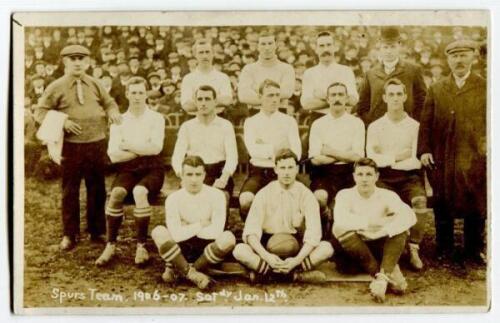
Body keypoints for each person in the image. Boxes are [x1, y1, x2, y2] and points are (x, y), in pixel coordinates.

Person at [34, 45, 122, 250]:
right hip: (71, 147)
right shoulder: (56, 86)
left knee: (97, 188)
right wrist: (62, 123)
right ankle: (69, 235)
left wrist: (112, 112)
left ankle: (97, 231)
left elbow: (110, 103)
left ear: (87, 62)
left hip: (96, 143)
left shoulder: (95, 83)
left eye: (81, 58)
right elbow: (40, 112)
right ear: (64, 62)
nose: (77, 62)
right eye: (72, 58)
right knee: (70, 190)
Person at [418, 40, 486, 265]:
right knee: (442, 199)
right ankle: (444, 247)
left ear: (472, 58)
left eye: (464, 55)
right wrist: (424, 150)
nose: (459, 60)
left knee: (475, 200)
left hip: (473, 155)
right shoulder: (437, 88)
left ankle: (474, 249)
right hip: (442, 154)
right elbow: (426, 123)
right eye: (454, 56)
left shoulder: (485, 86)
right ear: (448, 60)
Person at [233, 149, 334, 283]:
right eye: (282, 167)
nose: (286, 172)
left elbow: (314, 234)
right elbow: (251, 232)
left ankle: (267, 274)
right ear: (275, 169)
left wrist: (296, 260)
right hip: (268, 244)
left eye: (290, 167)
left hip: (296, 246)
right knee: (239, 250)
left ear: (297, 169)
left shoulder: (306, 195)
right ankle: (295, 276)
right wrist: (267, 256)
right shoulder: (264, 193)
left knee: (327, 248)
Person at [95, 77, 165, 266]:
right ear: (127, 94)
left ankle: (141, 246)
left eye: (141, 92)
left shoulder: (156, 118)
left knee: (139, 192)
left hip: (153, 169)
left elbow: (156, 148)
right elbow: (114, 155)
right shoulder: (119, 120)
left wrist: (129, 146)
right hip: (128, 169)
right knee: (117, 193)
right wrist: (141, 148)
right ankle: (110, 245)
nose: (137, 97)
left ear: (146, 94)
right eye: (133, 92)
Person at [333, 158, 416, 302]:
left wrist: (382, 231)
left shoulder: (387, 195)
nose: (364, 179)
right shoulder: (344, 195)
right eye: (360, 174)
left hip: (381, 243)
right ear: (354, 176)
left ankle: (382, 280)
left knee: (401, 229)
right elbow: (340, 219)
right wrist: (375, 222)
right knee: (339, 228)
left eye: (369, 174)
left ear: (376, 176)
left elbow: (409, 216)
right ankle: (382, 273)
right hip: (357, 246)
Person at [366, 78, 428, 270]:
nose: (395, 98)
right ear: (384, 97)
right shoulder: (375, 126)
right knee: (386, 206)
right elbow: (372, 157)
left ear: (405, 97)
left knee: (419, 201)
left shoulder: (415, 126)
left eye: (399, 94)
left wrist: (387, 156)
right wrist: (397, 156)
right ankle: (389, 248)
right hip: (383, 176)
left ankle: (414, 248)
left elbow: (415, 159)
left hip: (410, 176)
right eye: (391, 94)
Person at [151, 156, 236, 289]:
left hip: (206, 250)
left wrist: (187, 227)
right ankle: (193, 274)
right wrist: (200, 224)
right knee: (158, 232)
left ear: (204, 175)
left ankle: (184, 269)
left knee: (228, 238)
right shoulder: (173, 198)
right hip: (181, 248)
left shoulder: (217, 195)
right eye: (189, 174)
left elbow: (216, 232)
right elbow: (176, 234)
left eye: (198, 174)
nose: (194, 179)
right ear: (182, 175)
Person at [308, 82, 365, 240]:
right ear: (327, 99)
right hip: (324, 173)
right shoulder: (318, 124)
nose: (337, 98)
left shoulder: (356, 123)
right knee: (319, 197)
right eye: (333, 95)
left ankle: (345, 235)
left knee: (349, 202)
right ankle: (324, 222)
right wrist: (344, 154)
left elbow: (358, 157)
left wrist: (330, 151)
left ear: (347, 98)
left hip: (349, 172)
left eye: (341, 95)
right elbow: (316, 160)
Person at [239, 79, 302, 221]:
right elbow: (253, 151)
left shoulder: (289, 121)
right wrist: (278, 148)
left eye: (277, 95)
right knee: (246, 200)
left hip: (284, 172)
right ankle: (252, 231)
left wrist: (265, 147)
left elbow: (296, 152)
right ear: (260, 97)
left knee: (301, 202)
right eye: (270, 95)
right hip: (259, 172)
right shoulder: (251, 122)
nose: (274, 100)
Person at [172, 85, 238, 201]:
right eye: (200, 99)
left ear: (215, 101)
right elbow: (177, 156)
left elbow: (232, 156)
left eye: (207, 99)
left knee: (221, 199)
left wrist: (224, 178)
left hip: (219, 172)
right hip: (194, 172)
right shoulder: (187, 127)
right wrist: (183, 176)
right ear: (195, 102)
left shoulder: (225, 125)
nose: (203, 103)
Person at [355, 26, 426, 125]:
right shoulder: (370, 74)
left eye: (393, 47)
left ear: (399, 46)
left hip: (406, 128)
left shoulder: (413, 70)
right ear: (380, 48)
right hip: (378, 129)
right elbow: (362, 107)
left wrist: (413, 123)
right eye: (385, 47)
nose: (389, 51)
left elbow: (422, 102)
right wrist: (371, 123)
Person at [300, 31, 359, 122]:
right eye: (321, 46)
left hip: (342, 119)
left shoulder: (346, 71)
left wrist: (324, 97)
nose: (325, 49)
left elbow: (353, 100)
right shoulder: (309, 73)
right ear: (316, 49)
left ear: (335, 47)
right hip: (317, 119)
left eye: (329, 45)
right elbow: (306, 104)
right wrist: (339, 99)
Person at [238, 30, 295, 114]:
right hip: (256, 114)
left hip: (280, 113)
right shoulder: (248, 69)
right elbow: (243, 96)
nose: (267, 48)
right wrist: (276, 95)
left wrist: (257, 90)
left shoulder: (286, 68)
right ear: (258, 46)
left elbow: (287, 93)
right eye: (263, 44)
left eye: (270, 43)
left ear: (275, 45)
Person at [180, 38, 233, 115]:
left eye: (207, 52)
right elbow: (187, 105)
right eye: (201, 52)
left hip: (219, 118)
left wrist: (199, 102)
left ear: (213, 54)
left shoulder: (223, 77)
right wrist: (214, 101)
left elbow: (227, 100)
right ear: (195, 55)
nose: (205, 56)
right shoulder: (188, 78)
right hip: (195, 119)